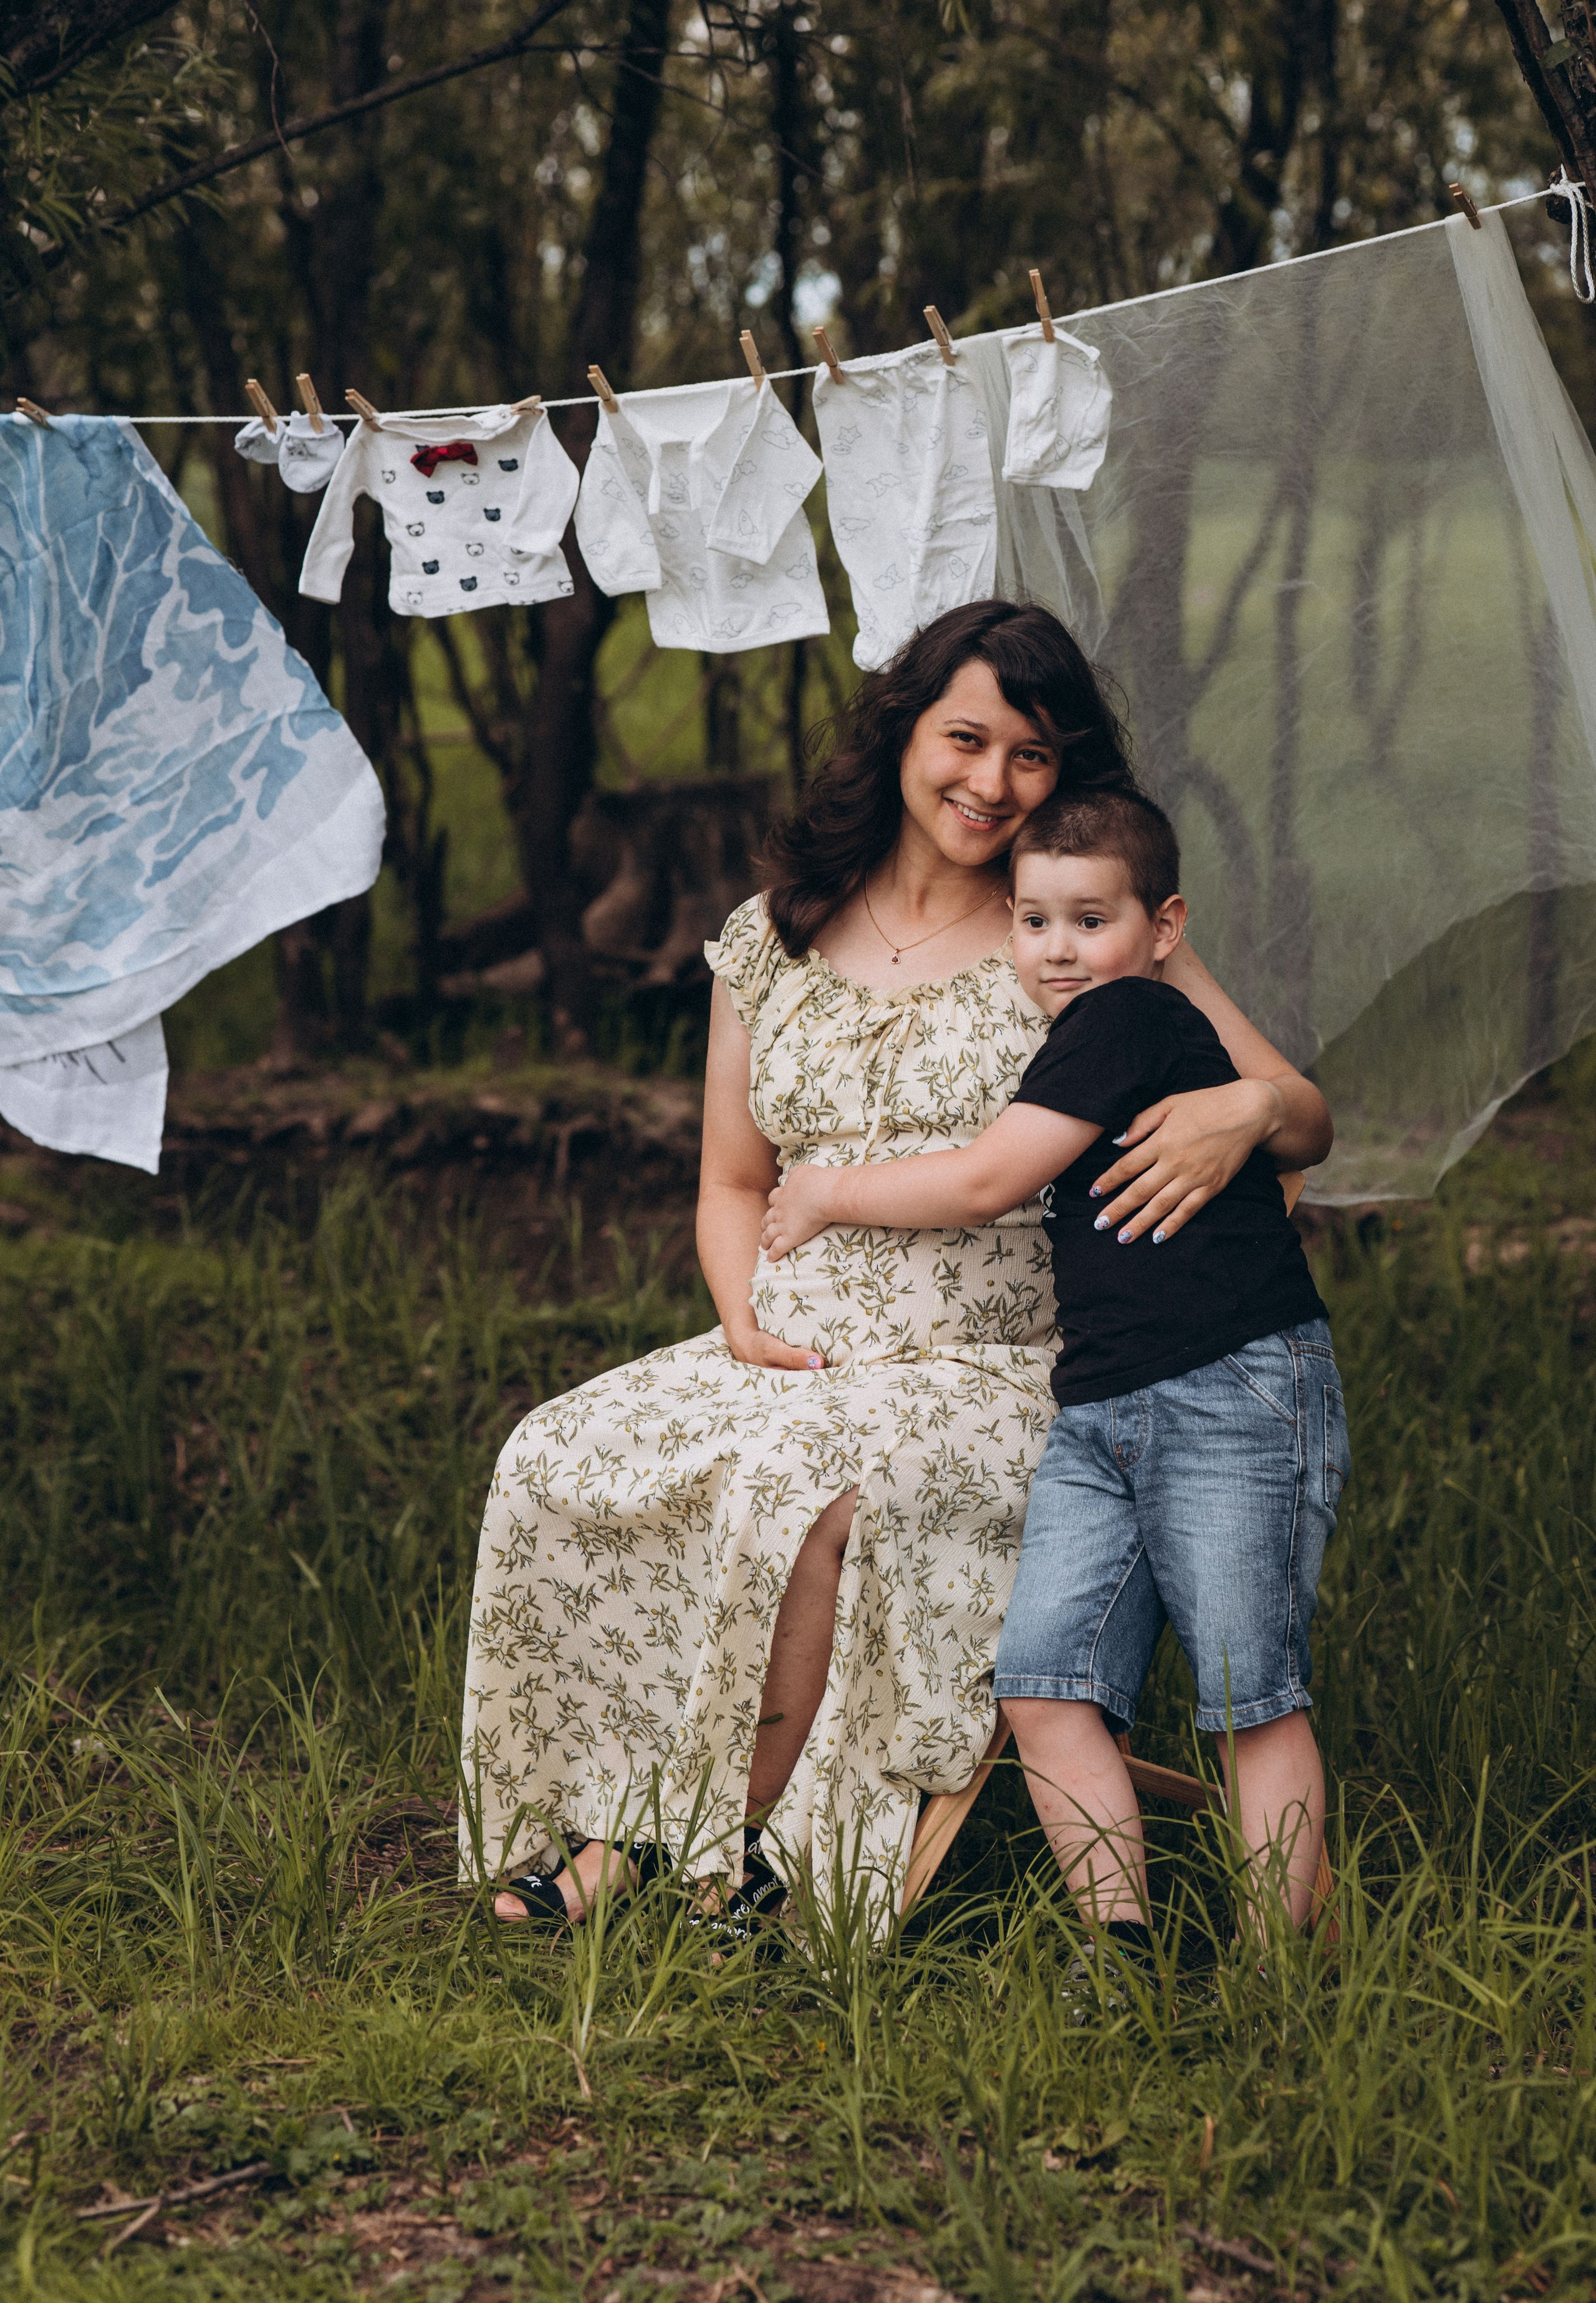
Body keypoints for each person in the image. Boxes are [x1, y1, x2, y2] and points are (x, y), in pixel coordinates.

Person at [459, 599, 1332, 1937]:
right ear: (902, 734)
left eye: (1031, 756)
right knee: (556, 1453)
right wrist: (736, 1320)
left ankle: (701, 1855)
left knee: (804, 1493)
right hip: (792, 1331)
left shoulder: (1068, 923)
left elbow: (1300, 1113)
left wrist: (1252, 1111)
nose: (992, 783)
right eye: (966, 739)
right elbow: (731, 1182)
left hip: (1002, 1358)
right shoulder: (774, 935)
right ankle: (600, 1815)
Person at [761, 785, 1348, 1949]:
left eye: (1090, 920)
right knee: (1042, 1682)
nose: (1059, 950)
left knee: (1248, 1696)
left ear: (1162, 928)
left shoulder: (1130, 1015)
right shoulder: (1093, 1026)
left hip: (1231, 1381)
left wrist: (827, 1191)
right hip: (1100, 1408)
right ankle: (1120, 1946)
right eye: (1034, 923)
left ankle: (1294, 1978)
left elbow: (985, 1180)